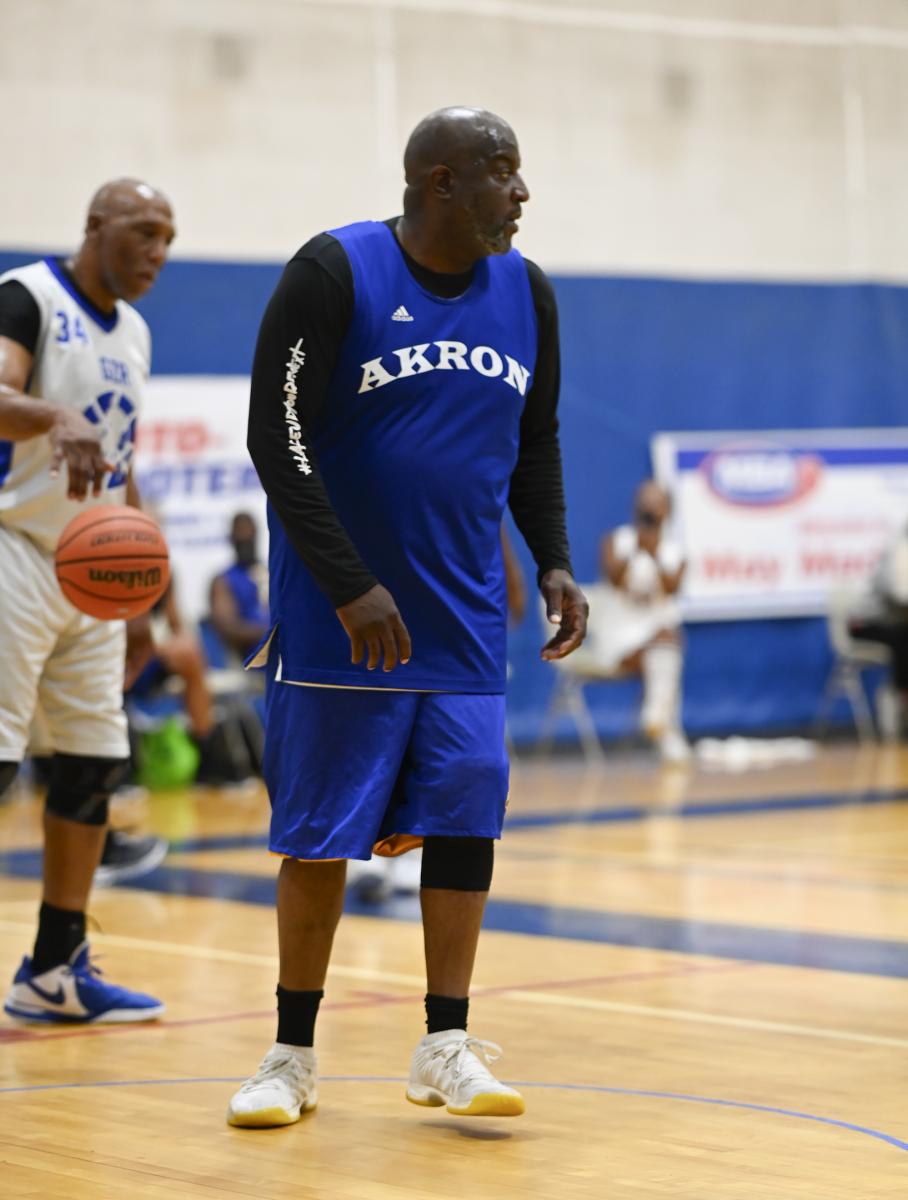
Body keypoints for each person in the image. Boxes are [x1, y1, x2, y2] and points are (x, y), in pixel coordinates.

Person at [228, 106, 587, 1127]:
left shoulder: (527, 292)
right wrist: (346, 582)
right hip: (342, 615)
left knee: (466, 815)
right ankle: (291, 1055)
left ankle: (444, 1044)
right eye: (503, 173)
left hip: (463, 616)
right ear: (441, 182)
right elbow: (276, 439)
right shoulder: (333, 272)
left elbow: (535, 440)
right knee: (319, 834)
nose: (521, 193)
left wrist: (553, 558)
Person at [0, 178, 176, 1022]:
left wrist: (138, 598)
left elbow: (121, 461)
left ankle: (55, 967)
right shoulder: (27, 296)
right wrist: (50, 416)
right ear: (95, 226)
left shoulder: (135, 331)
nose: (157, 252)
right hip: (15, 547)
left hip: (92, 569)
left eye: (168, 238)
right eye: (143, 231)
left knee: (93, 760)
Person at [598, 480, 689, 763]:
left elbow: (673, 587)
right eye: (644, 501)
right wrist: (636, 549)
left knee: (667, 642)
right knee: (667, 649)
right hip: (619, 637)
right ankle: (661, 724)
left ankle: (657, 720)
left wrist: (654, 553)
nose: (648, 508)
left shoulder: (675, 551)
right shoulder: (617, 540)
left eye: (655, 503)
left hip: (657, 634)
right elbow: (613, 579)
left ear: (667, 511)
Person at [848, 518, 908, 736]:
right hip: (864, 623)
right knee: (903, 640)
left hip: (894, 622)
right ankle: (900, 700)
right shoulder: (901, 550)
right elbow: (900, 595)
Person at [208, 511, 270, 662]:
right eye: (240, 538)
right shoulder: (223, 580)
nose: (244, 539)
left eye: (248, 537)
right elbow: (228, 628)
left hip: (283, 659)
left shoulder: (272, 573)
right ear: (231, 539)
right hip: (248, 663)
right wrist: (272, 633)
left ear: (256, 535)